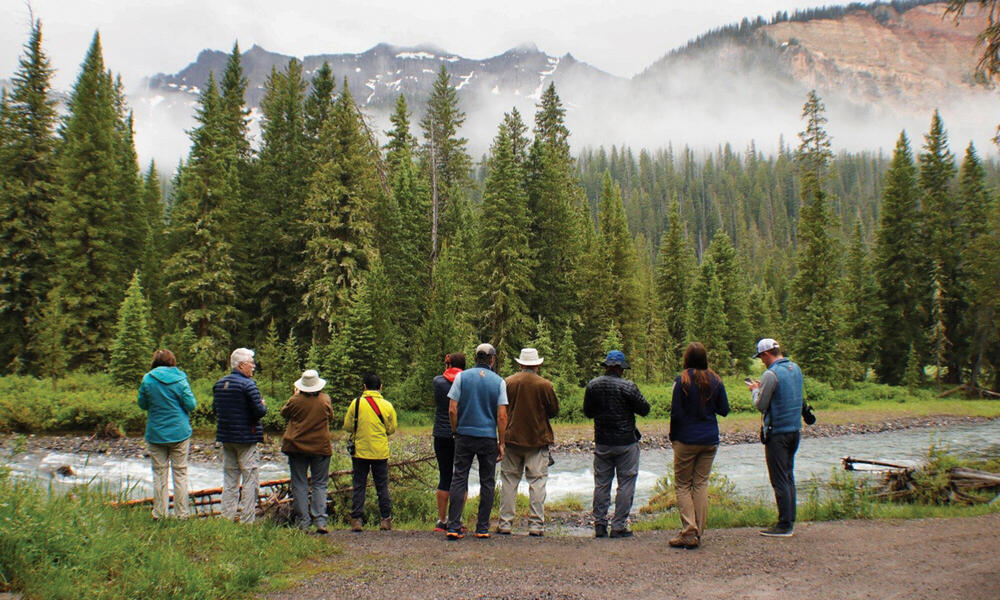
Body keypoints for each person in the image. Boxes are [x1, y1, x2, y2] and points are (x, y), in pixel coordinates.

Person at [668, 342, 730, 549]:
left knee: (683, 485)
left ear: (686, 359)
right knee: (700, 483)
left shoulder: (682, 380)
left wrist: (673, 436)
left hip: (686, 439)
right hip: (710, 439)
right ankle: (699, 531)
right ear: (705, 358)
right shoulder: (716, 380)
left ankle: (688, 531)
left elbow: (675, 413)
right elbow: (724, 409)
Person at [583, 350, 650, 539]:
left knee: (602, 483)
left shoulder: (593, 385)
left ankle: (600, 524)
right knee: (626, 482)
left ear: (607, 366)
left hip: (603, 441)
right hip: (626, 441)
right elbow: (645, 409)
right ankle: (619, 525)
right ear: (620, 368)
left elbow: (588, 412)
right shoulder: (628, 387)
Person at [445, 343, 508, 540]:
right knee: (487, 481)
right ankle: (482, 528)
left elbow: (452, 409)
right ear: (492, 359)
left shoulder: (462, 377)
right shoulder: (499, 382)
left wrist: (456, 430)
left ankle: (453, 525)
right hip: (488, 436)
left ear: (475, 358)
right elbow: (502, 415)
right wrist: (502, 442)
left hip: (464, 434)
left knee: (459, 478)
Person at [498, 348, 559, 536]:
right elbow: (554, 411)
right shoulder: (545, 385)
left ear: (520, 363)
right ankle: (535, 525)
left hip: (512, 438)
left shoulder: (508, 382)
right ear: (537, 365)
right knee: (537, 482)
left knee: (509, 481)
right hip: (537, 439)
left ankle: (505, 523)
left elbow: (502, 410)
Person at [746, 338, 803, 538]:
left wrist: (755, 391)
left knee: (778, 478)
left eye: (761, 357)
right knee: (789, 476)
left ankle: (784, 525)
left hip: (777, 433)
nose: (761, 361)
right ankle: (790, 519)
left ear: (766, 354)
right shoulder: (795, 368)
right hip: (795, 431)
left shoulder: (771, 373)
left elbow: (761, 405)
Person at [137, 349, 197, 520]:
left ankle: (160, 513)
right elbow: (191, 404)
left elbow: (142, 404)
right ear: (172, 361)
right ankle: (182, 514)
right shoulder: (180, 378)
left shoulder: (148, 379)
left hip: (156, 433)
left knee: (159, 473)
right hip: (179, 432)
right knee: (180, 473)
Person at [213, 347, 267, 523]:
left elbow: (215, 410)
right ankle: (247, 520)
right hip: (246, 438)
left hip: (226, 437)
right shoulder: (248, 385)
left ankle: (226, 518)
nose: (253, 367)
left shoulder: (220, 384)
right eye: (251, 363)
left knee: (230, 479)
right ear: (242, 365)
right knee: (250, 479)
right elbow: (259, 412)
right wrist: (263, 404)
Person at [280, 369, 333, 534]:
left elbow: (284, 413)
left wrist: (295, 395)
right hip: (320, 447)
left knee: (299, 484)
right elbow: (330, 417)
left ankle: (303, 522)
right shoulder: (325, 400)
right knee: (320, 484)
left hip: (296, 447)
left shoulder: (295, 400)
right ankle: (320, 521)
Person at [343, 373, 398, 532]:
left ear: (364, 387)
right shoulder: (387, 405)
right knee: (382, 485)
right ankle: (385, 519)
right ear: (380, 387)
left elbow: (347, 426)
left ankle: (357, 520)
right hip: (380, 452)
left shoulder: (356, 403)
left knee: (359, 485)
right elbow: (392, 428)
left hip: (360, 451)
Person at [432, 352, 465, 532]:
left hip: (441, 433)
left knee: (444, 476)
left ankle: (442, 520)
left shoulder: (438, 382)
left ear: (447, 364)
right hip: (461, 433)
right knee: (461, 477)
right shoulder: (467, 381)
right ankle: (457, 519)